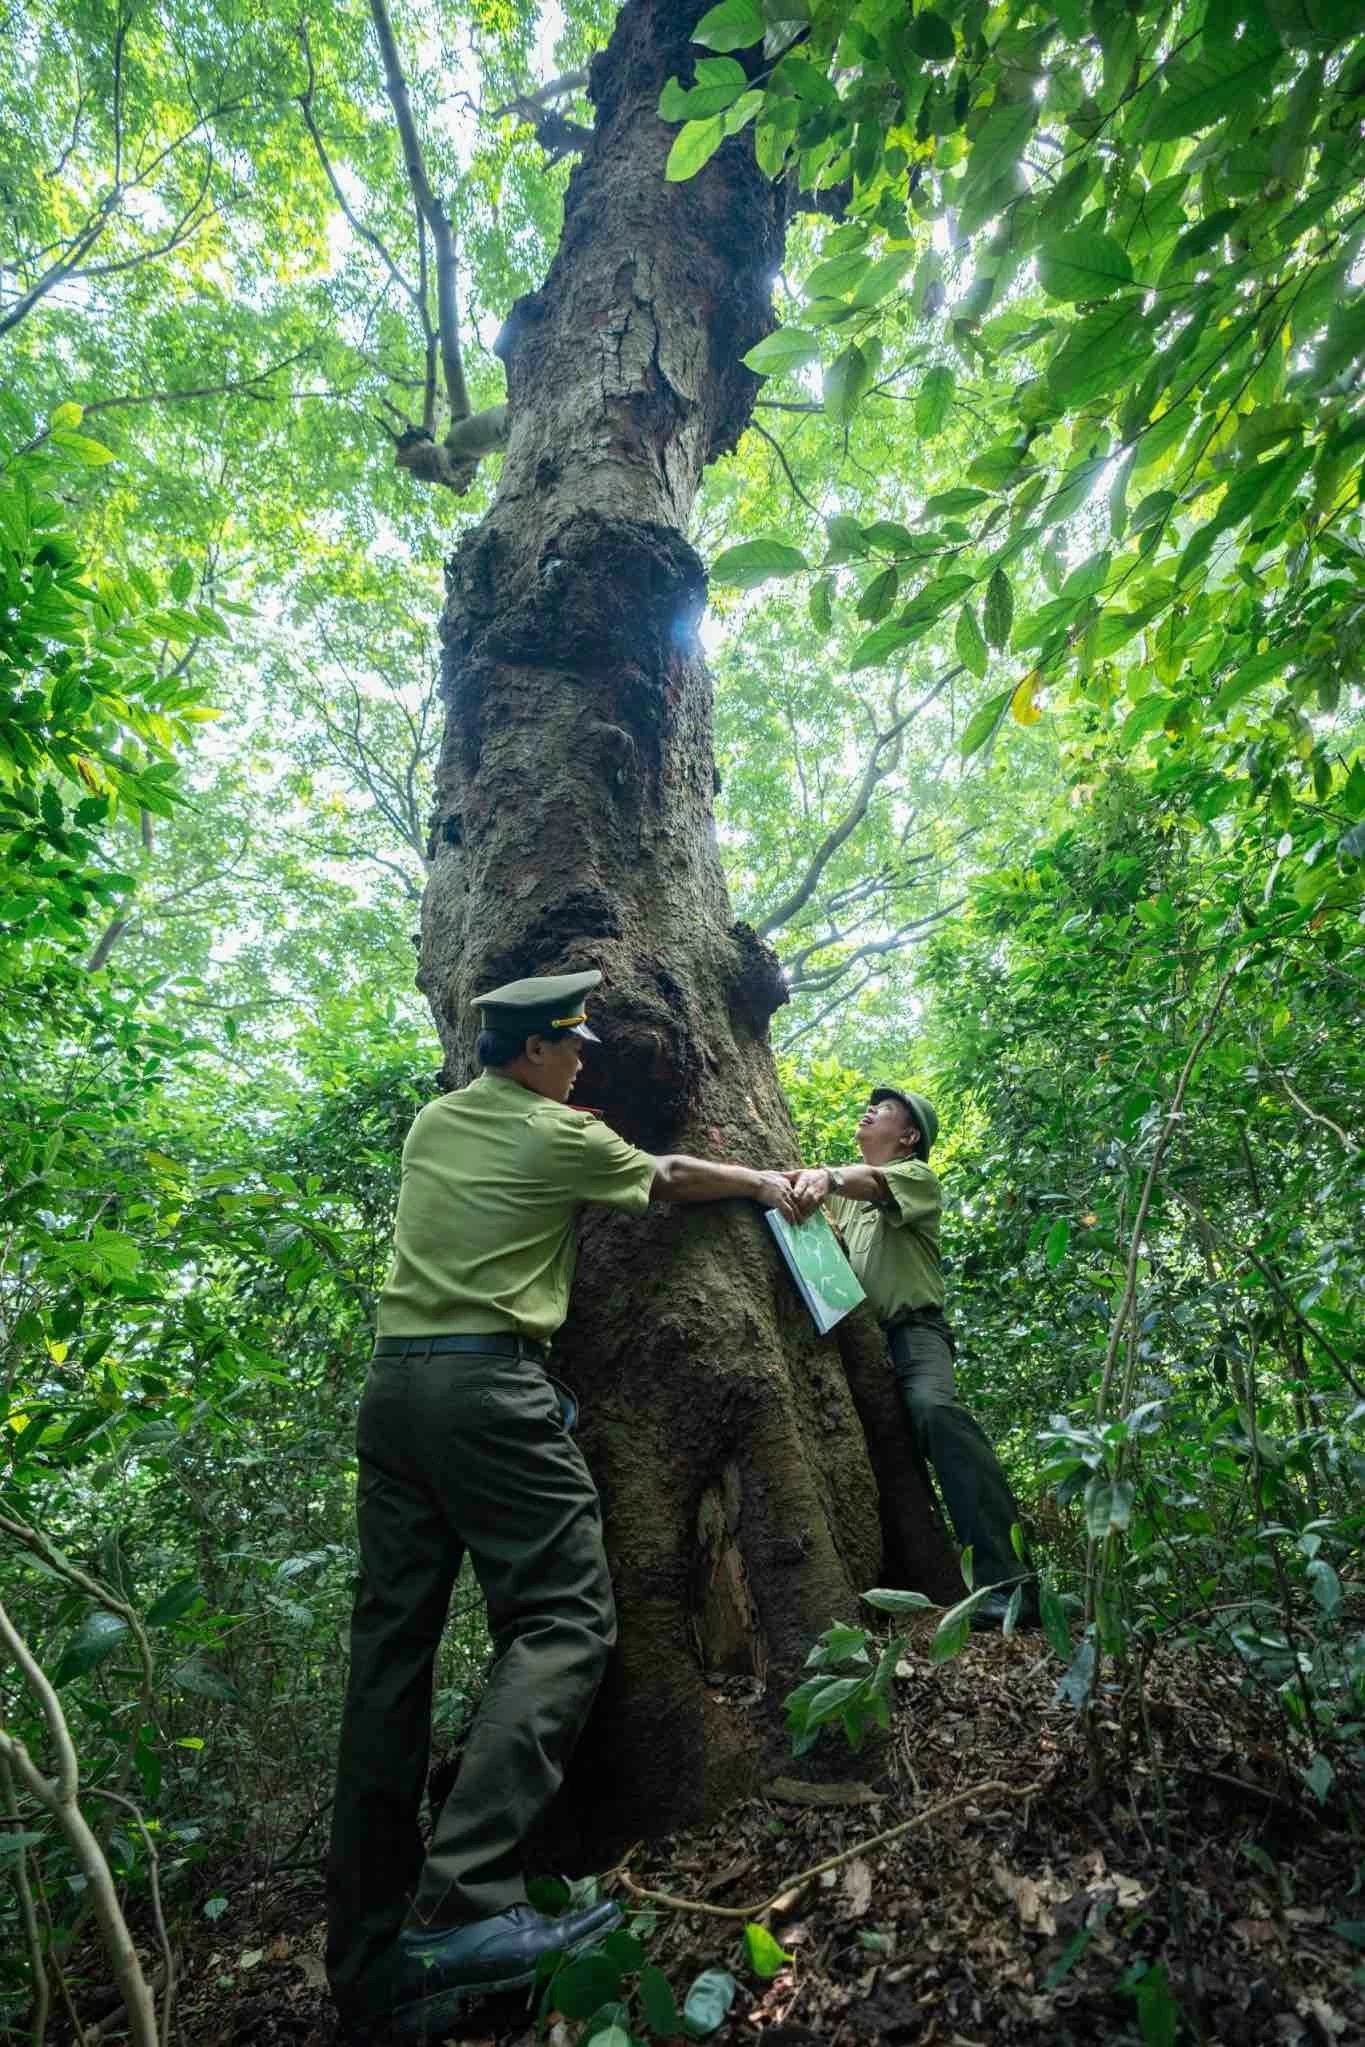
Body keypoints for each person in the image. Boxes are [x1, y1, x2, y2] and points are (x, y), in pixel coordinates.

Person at [326, 969, 800, 2041]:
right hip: (489, 1391)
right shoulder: (557, 1134)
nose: (586, 1059)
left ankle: (365, 1955)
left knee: (388, 1657)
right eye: (572, 1044)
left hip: (396, 1392)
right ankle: (462, 1906)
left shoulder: (435, 1123)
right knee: (567, 1617)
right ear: (534, 1049)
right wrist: (767, 1180)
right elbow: (669, 1174)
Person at [789, 1085, 1032, 1630]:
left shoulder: (916, 1176)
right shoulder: (845, 1194)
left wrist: (825, 1177)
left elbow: (867, 1183)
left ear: (908, 1136)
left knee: (935, 1411)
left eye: (885, 1109)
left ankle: (1011, 1585)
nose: (869, 1111)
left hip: (915, 1333)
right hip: (860, 1344)